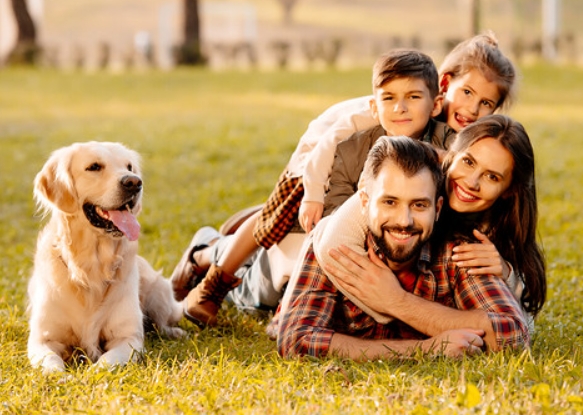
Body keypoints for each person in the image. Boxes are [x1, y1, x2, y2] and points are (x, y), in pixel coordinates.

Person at [171, 32, 518, 328]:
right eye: (468, 93)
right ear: (445, 86)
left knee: (282, 251)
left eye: (486, 103)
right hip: (313, 171)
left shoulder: (463, 141)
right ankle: (209, 261)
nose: (473, 110)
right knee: (269, 237)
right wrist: (312, 195)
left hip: (363, 210)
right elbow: (329, 141)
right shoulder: (377, 114)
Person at [277, 135, 529, 359]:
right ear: (364, 203)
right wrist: (424, 349)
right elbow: (296, 340)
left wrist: (397, 302)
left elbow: (513, 336)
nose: (404, 221)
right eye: (389, 202)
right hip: (281, 253)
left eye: (419, 205)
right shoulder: (334, 244)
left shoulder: (461, 252)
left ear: (438, 208)